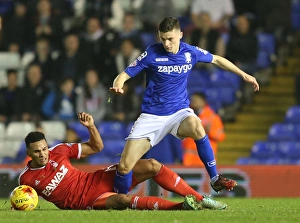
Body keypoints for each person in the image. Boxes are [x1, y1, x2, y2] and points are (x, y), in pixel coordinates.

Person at [109, 17, 259, 195]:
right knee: (125, 166)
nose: (166, 43)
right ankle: (117, 199)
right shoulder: (151, 53)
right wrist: (118, 84)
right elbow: (125, 74)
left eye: (170, 39)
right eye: (162, 38)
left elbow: (217, 60)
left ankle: (215, 178)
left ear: (180, 35)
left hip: (178, 113)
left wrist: (243, 74)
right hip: (152, 116)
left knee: (196, 125)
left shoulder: (190, 53)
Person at [18, 112, 227, 210]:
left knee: (152, 165)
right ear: (29, 152)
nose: (43, 154)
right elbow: (24, 200)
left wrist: (91, 127)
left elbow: (96, 147)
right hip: (84, 202)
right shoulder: (26, 178)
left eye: (44, 148)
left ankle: (200, 199)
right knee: (122, 201)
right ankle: (181, 207)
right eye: (37, 152)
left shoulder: (58, 151)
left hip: (95, 180)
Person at [182, 92, 225, 166]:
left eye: (196, 100)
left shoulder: (212, 117)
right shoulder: (187, 116)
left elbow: (221, 136)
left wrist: (209, 131)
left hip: (206, 160)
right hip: (188, 160)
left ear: (203, 101)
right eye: (192, 100)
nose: (193, 101)